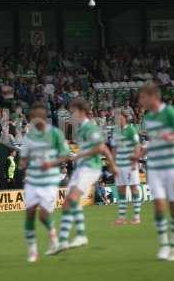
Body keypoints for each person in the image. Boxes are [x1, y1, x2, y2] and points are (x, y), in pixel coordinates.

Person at [51, 98, 118, 254]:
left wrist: (112, 166)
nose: (70, 115)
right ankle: (68, 239)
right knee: (68, 202)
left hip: (91, 168)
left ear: (81, 111)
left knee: (72, 199)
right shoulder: (80, 130)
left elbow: (102, 148)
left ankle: (75, 237)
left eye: (72, 112)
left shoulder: (90, 127)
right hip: (81, 168)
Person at [132, 82, 174, 261]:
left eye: (143, 97)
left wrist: (172, 136)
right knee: (159, 205)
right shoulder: (149, 117)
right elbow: (153, 141)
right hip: (155, 168)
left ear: (153, 97)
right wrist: (142, 150)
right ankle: (164, 244)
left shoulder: (170, 113)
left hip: (173, 167)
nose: (140, 101)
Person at [20, 103, 70, 262]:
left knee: (43, 215)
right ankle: (33, 251)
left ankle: (54, 238)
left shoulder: (55, 134)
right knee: (29, 214)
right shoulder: (29, 136)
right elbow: (24, 156)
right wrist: (23, 162)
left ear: (43, 117)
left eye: (37, 116)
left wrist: (52, 163)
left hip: (49, 181)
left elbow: (65, 155)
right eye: (32, 117)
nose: (35, 120)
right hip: (32, 181)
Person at [112, 111, 142, 225]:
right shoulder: (116, 132)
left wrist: (134, 163)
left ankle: (136, 217)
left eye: (120, 118)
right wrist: (113, 164)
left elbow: (137, 146)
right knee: (121, 189)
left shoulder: (131, 130)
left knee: (134, 188)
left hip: (129, 164)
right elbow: (114, 148)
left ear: (125, 118)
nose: (118, 120)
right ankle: (122, 217)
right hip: (119, 165)